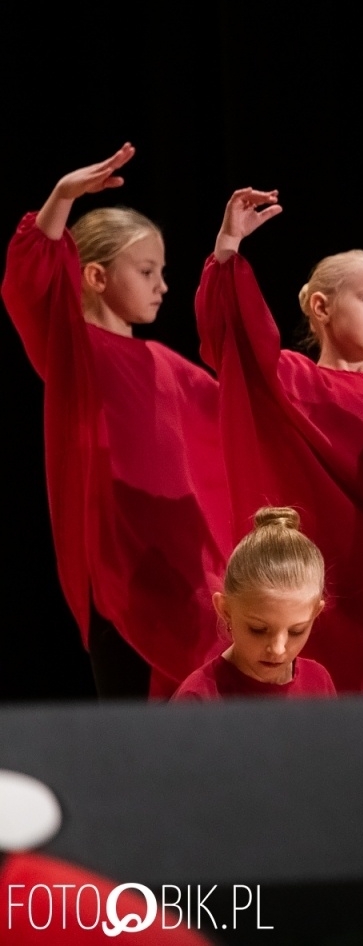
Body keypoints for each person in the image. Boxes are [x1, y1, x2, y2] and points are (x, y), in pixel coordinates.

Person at [196, 188, 363, 691]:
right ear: (321, 306)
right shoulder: (287, 379)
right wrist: (228, 245)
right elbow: (233, 336)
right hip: (317, 590)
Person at [3, 144, 229, 698]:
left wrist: (229, 252)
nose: (163, 286)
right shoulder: (74, 349)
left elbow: (242, 421)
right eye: (148, 271)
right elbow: (32, 276)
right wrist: (62, 196)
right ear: (97, 276)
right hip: (119, 573)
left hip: (185, 575)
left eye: (163, 271)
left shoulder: (170, 367)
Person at [172, 507, 336, 700]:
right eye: (258, 629)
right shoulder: (199, 697)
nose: (278, 649)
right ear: (225, 610)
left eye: (296, 631)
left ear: (316, 613)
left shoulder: (318, 682)